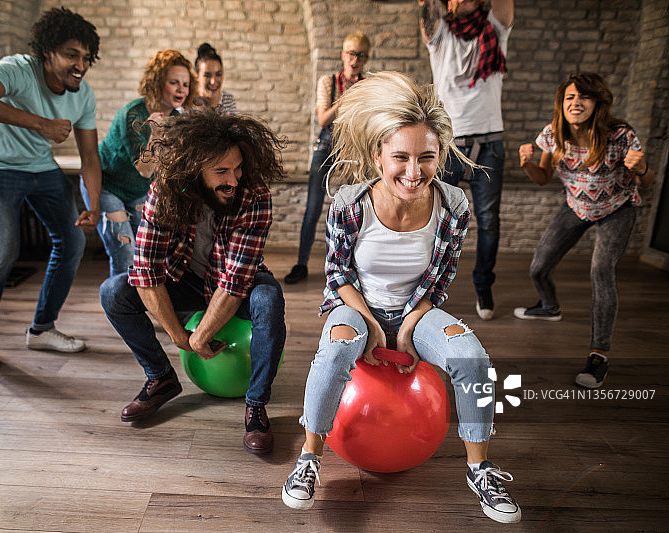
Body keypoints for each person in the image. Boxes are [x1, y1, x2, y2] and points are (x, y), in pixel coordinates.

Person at [281, 72, 521, 524]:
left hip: (418, 309)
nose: (414, 172)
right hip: (354, 306)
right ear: (379, 156)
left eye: (426, 158)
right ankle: (308, 460)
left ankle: (480, 469)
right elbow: (337, 275)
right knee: (334, 354)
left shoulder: (454, 207)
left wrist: (409, 325)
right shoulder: (350, 204)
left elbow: (440, 279)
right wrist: (371, 324)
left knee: (474, 359)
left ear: (440, 157)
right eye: (401, 158)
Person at [99, 110, 287, 455]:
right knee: (114, 292)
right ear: (194, 169)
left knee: (269, 299)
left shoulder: (255, 195)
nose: (234, 179)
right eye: (221, 171)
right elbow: (145, 271)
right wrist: (179, 337)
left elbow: (234, 281)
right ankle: (161, 378)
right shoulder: (165, 191)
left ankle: (256, 404)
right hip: (183, 278)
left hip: (236, 281)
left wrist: (200, 336)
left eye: (238, 168)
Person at [0, 7, 102, 377]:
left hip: (39, 167)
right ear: (47, 51)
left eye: (86, 57)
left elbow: (90, 157)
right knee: (1, 252)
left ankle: (42, 329)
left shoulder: (83, 96)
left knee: (72, 240)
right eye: (71, 54)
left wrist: (93, 206)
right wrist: (40, 124)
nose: (80, 64)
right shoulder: (18, 70)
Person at [515, 72, 655, 390]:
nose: (576, 103)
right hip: (576, 206)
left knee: (601, 270)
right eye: (570, 97)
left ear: (597, 103)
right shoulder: (554, 135)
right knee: (538, 267)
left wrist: (642, 169)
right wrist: (527, 164)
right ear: (561, 104)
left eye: (584, 97)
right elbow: (543, 178)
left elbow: (648, 183)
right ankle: (549, 307)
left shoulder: (620, 135)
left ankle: (598, 356)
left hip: (617, 209)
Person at [417, 0, 514, 320]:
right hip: (449, 145)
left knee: (488, 223)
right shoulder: (441, 34)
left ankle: (483, 285)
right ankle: (427, 289)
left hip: (489, 144)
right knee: (434, 219)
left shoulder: (495, 32)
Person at [82, 50, 196, 277]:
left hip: (138, 192)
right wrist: (156, 134)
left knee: (147, 253)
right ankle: (120, 309)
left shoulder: (177, 117)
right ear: (157, 83)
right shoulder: (132, 115)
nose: (181, 89)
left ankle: (139, 305)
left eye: (185, 83)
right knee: (125, 253)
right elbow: (145, 170)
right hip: (106, 186)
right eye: (174, 82)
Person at [284, 31, 371, 285]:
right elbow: (323, 119)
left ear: (366, 59)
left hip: (354, 148)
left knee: (357, 208)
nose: (355, 60)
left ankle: (352, 267)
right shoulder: (328, 82)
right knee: (312, 209)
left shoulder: (369, 85)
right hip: (326, 146)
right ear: (343, 55)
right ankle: (301, 264)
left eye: (361, 55)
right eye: (351, 53)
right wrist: (348, 97)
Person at [194, 43, 236, 115]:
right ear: (197, 76)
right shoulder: (188, 100)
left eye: (218, 74)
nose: (213, 82)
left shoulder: (228, 100)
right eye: (207, 75)